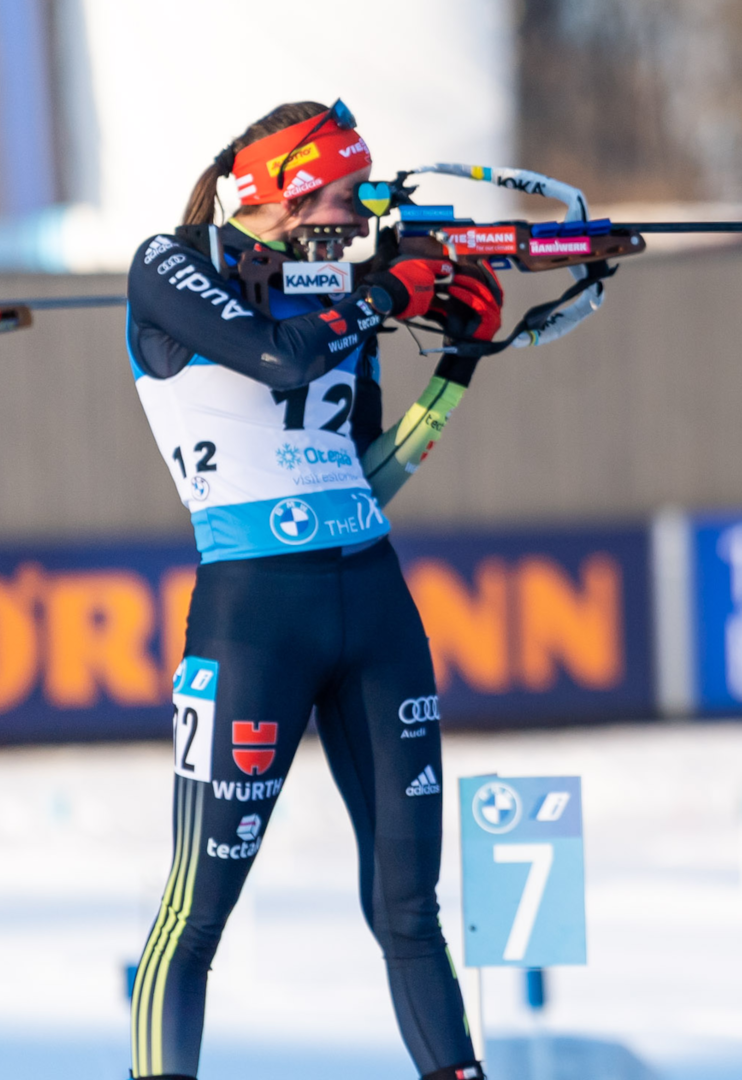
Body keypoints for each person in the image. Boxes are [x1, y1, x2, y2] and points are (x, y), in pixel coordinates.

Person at [127, 100, 500, 1080]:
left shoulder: (337, 291)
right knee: (196, 912)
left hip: (374, 604)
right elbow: (277, 354)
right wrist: (383, 296)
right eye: (344, 192)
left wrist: (458, 359)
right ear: (279, 188)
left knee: (411, 909)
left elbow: (366, 473)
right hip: (255, 620)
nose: (359, 214)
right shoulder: (172, 264)